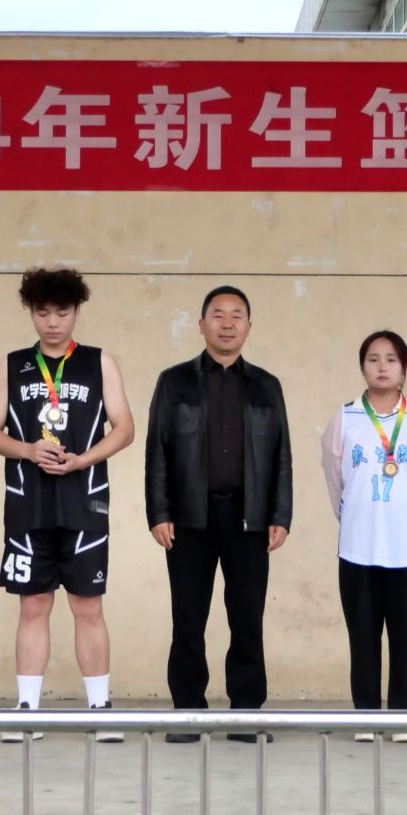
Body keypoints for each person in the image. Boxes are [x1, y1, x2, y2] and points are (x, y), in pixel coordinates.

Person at [0, 267, 135, 744]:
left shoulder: (99, 362)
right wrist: (27, 450)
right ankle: (27, 710)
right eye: (42, 312)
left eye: (62, 312)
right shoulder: (12, 365)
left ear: (77, 311)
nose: (52, 322)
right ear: (30, 312)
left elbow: (125, 427)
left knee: (88, 606)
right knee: (33, 606)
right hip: (28, 505)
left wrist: (83, 460)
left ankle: (100, 710)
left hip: (84, 503)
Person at [144, 285, 292, 743]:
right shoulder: (174, 382)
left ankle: (246, 714)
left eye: (237, 315)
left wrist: (280, 514)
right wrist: (158, 512)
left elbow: (282, 455)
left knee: (247, 618)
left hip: (249, 520)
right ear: (202, 323)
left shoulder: (266, 385)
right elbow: (157, 451)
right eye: (218, 314)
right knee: (188, 618)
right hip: (189, 519)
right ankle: (188, 714)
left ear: (249, 326)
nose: (227, 323)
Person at [322, 331, 407, 744]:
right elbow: (335, 479)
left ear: (404, 368)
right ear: (362, 367)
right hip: (359, 546)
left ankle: (405, 718)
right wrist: (356, 515)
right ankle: (366, 715)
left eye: (391, 359)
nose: (382, 366)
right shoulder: (345, 418)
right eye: (373, 359)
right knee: (363, 636)